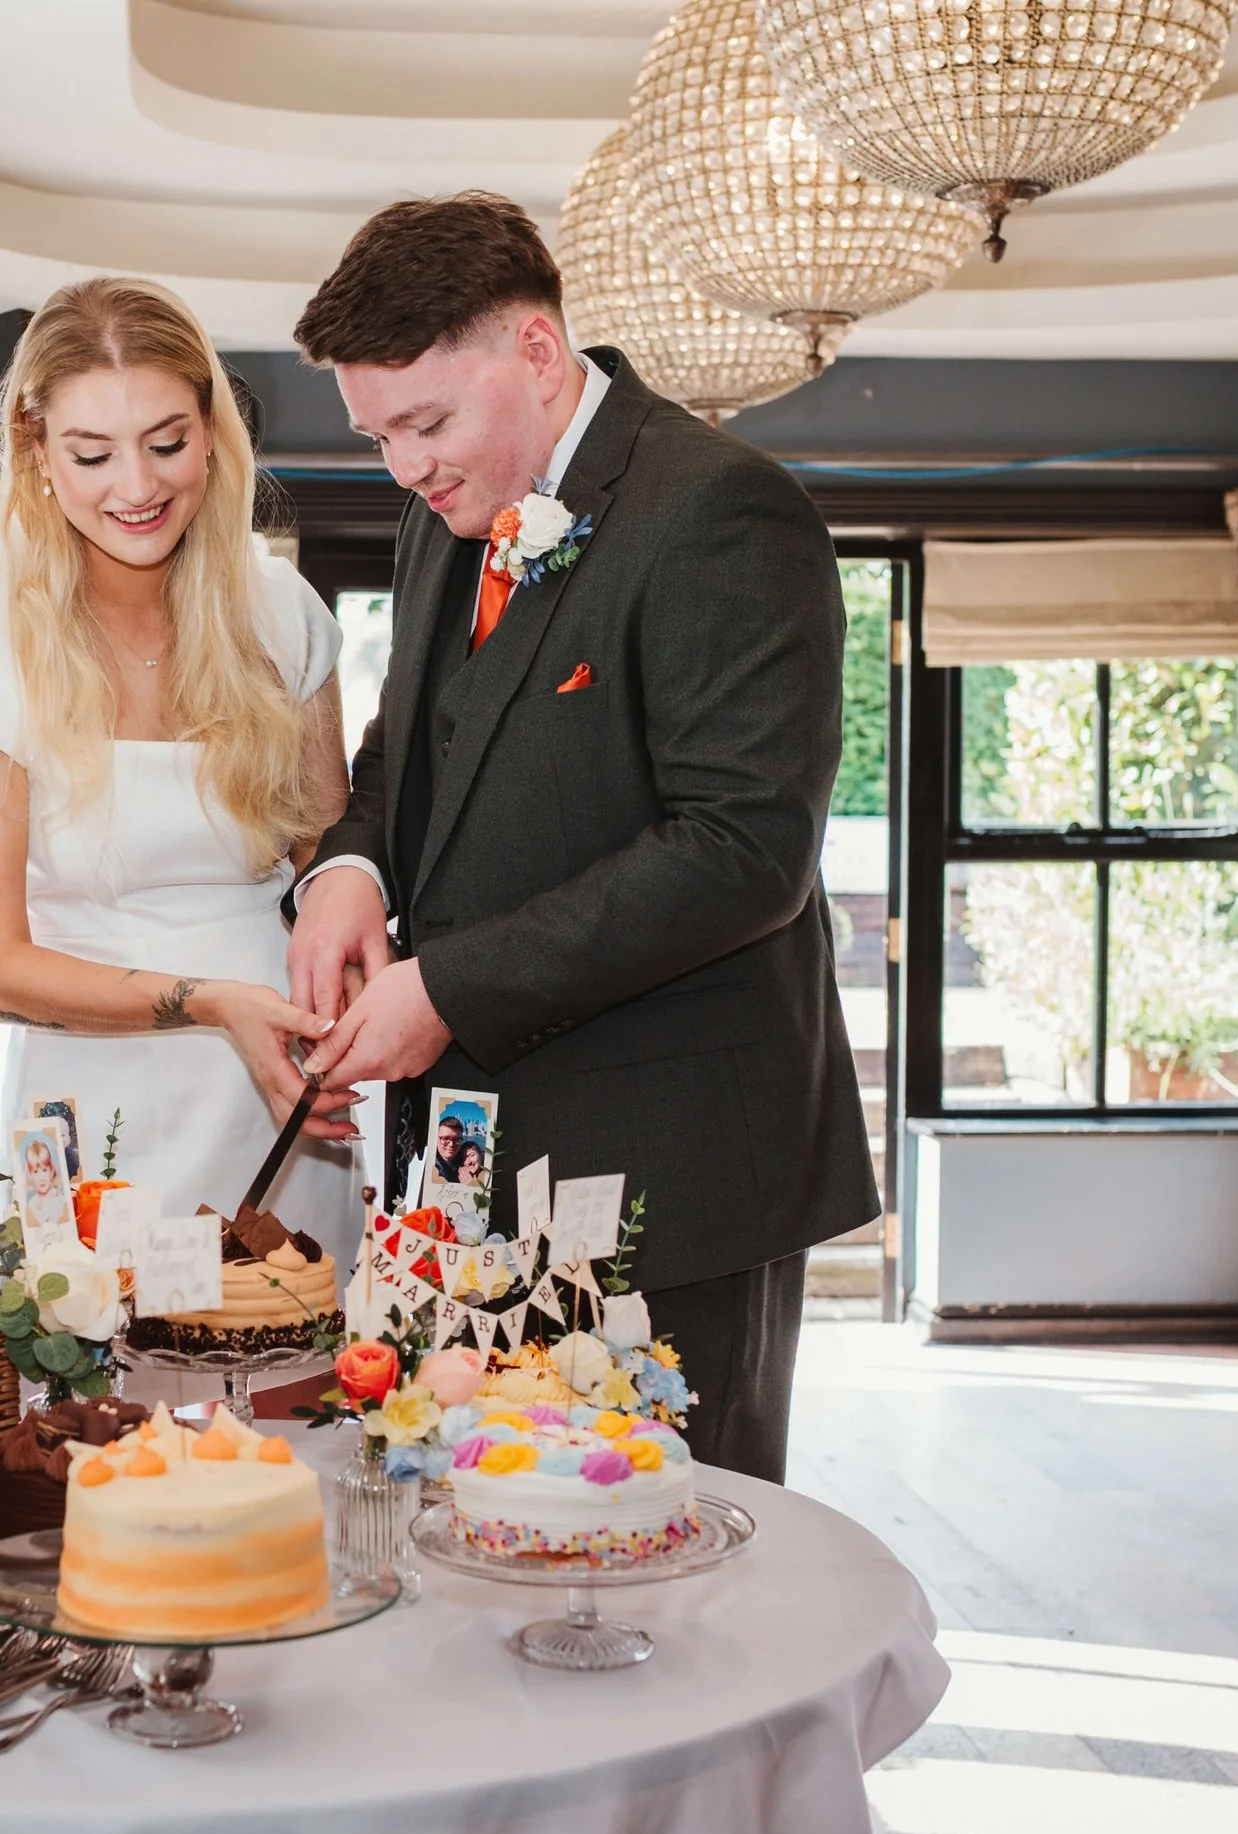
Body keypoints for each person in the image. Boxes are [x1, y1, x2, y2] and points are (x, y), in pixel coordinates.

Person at [287, 195, 877, 1480]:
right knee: (489, 1535)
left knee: (670, 1556)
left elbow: (742, 848)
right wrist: (348, 866)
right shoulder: (445, 512)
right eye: (377, 433)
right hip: (483, 1159)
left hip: (677, 1169)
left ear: (539, 355)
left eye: (426, 423)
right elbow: (413, 742)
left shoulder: (723, 509)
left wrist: (446, 984)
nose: (403, 467)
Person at [0, 277, 361, 1261]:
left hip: (289, 1112)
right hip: (105, 1123)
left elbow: (328, 854)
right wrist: (211, 1001)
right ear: (37, 452)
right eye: (92, 453)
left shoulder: (282, 614)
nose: (136, 486)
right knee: (113, 1406)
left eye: (165, 442)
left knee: (308, 1392)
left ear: (211, 432)